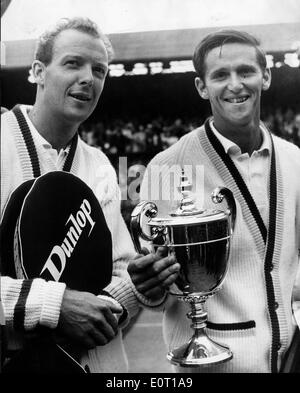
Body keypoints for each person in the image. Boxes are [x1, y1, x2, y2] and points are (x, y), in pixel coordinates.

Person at [0, 17, 179, 373]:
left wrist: (133, 288)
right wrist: (55, 306)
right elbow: (63, 307)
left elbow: (122, 271)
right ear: (38, 71)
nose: (88, 78)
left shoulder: (98, 164)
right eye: (72, 63)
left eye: (99, 69)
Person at [128, 30, 300, 373]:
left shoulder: (295, 158)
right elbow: (155, 285)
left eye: (246, 71)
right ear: (202, 87)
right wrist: (149, 282)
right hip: (213, 367)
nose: (235, 85)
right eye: (220, 75)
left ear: (265, 77)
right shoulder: (165, 166)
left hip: (289, 360)